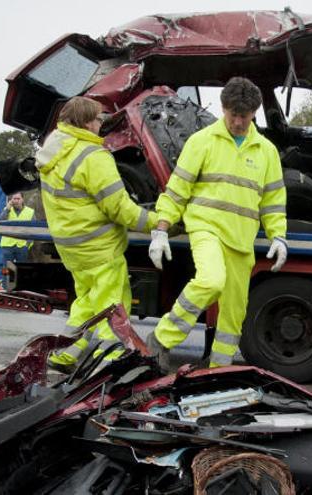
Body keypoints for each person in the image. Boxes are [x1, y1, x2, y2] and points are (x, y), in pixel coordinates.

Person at [147, 77, 287, 371]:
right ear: (223, 108)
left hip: (241, 239)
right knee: (211, 280)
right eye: (233, 114)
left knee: (235, 311)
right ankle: (161, 339)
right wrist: (161, 229)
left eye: (244, 116)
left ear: (254, 114)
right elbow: (177, 189)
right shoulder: (202, 141)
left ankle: (218, 369)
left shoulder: (266, 151)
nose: (238, 121)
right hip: (206, 228)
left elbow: (273, 201)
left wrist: (279, 236)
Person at [35, 96, 157, 374]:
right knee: (112, 310)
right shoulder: (93, 157)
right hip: (101, 248)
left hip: (72, 248)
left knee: (88, 302)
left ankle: (66, 352)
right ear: (88, 122)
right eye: (100, 119)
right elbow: (121, 210)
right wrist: (159, 222)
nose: (102, 124)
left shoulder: (52, 151)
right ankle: (106, 363)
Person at [0, 192, 35, 289]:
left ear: (22, 199)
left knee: (22, 269)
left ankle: (21, 288)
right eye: (14, 199)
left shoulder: (30, 212)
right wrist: (7, 209)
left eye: (18, 198)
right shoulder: (7, 210)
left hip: (22, 246)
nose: (16, 201)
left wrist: (28, 244)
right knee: (6, 268)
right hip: (7, 245)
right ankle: (6, 288)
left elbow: (34, 229)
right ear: (10, 200)